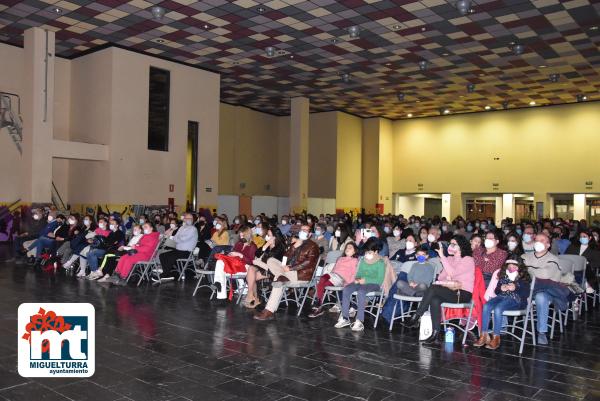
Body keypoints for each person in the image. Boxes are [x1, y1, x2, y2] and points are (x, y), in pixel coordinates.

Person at [404, 235, 475, 344]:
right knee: (435, 299)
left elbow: (452, 273)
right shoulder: (450, 259)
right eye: (450, 244)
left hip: (463, 293)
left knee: (433, 288)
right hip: (450, 291)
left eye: (453, 244)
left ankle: (417, 316)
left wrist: (442, 256)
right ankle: (435, 334)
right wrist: (447, 276)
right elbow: (441, 277)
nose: (450, 246)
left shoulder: (468, 260)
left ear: (461, 246)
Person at [254, 224, 320, 321]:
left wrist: (291, 268)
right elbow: (285, 257)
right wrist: (293, 247)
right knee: (271, 260)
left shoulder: (313, 246)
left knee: (278, 280)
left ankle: (269, 311)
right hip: (286, 272)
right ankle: (281, 276)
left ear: (310, 234)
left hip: (301, 274)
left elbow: (308, 263)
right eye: (302, 229)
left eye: (306, 230)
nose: (303, 231)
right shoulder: (296, 244)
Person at [474, 259, 531, 349]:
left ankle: (496, 337)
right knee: (486, 306)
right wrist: (501, 288)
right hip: (501, 297)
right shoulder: (503, 275)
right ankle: (484, 335)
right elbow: (497, 291)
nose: (511, 268)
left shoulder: (522, 277)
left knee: (498, 308)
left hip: (516, 299)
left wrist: (515, 287)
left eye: (514, 266)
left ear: (520, 267)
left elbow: (526, 294)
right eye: (509, 266)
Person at [334, 238, 387, 332]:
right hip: (360, 282)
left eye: (369, 251)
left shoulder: (380, 262)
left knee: (361, 292)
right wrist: (358, 279)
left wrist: (365, 280)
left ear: (376, 251)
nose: (367, 254)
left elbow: (379, 280)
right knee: (346, 289)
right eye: (366, 251)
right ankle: (345, 317)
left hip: (373, 284)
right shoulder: (363, 261)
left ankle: (359, 320)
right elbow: (358, 274)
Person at [522, 233, 564, 345]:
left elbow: (544, 274)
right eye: (536, 240)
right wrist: (531, 271)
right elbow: (517, 270)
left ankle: (542, 332)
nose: (538, 242)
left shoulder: (553, 259)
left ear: (548, 245)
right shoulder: (525, 256)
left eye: (542, 240)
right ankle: (502, 327)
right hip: (528, 288)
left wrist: (528, 269)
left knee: (541, 297)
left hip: (547, 289)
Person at [309, 242, 360, 318]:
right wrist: (332, 274)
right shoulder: (340, 259)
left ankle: (319, 303)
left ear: (354, 251)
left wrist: (348, 284)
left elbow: (353, 274)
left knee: (322, 281)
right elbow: (335, 270)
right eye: (346, 247)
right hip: (333, 276)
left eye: (350, 248)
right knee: (321, 281)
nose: (347, 249)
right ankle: (319, 306)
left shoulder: (354, 260)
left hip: (342, 279)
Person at [213, 225, 258, 304]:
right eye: (240, 235)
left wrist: (240, 255)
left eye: (242, 235)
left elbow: (251, 262)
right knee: (219, 262)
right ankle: (219, 289)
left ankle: (220, 290)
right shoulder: (238, 244)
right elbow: (232, 254)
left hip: (246, 267)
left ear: (248, 235)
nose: (241, 237)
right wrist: (230, 254)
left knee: (222, 270)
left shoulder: (252, 246)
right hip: (236, 265)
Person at [244, 226, 286, 308]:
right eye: (267, 235)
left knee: (251, 277)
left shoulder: (280, 247)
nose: (267, 237)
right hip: (262, 266)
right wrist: (265, 246)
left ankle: (254, 298)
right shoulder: (266, 244)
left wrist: (268, 245)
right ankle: (251, 295)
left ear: (275, 237)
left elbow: (272, 260)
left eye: (269, 235)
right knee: (251, 269)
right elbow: (257, 253)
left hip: (273, 269)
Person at [158, 213, 198, 280]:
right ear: (184, 219)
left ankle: (165, 274)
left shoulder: (193, 229)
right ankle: (167, 272)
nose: (189, 220)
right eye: (187, 218)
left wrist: (178, 238)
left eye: (190, 219)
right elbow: (176, 238)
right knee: (162, 255)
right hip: (178, 250)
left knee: (171, 256)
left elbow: (183, 239)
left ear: (192, 220)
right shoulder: (181, 228)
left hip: (187, 252)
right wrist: (179, 238)